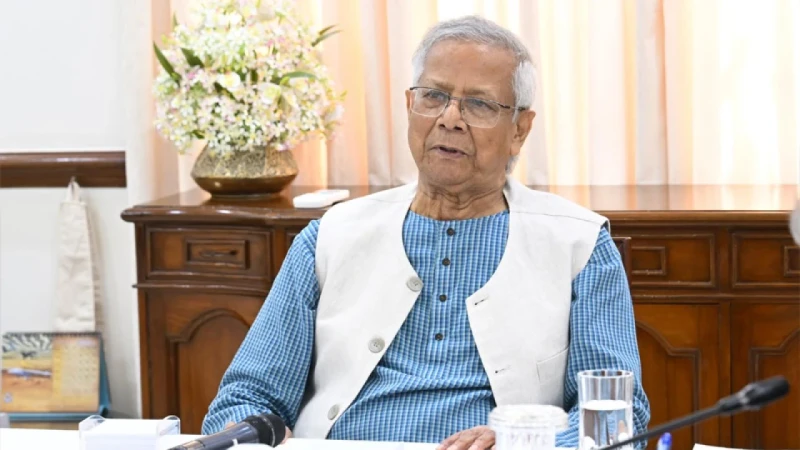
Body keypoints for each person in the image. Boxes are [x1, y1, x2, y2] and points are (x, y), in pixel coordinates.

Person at [202, 15, 650, 450]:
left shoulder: (579, 245)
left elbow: (616, 415)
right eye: (433, 96)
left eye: (479, 104)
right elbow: (246, 398)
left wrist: (529, 442)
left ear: (520, 130)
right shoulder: (329, 238)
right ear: (409, 107)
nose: (450, 118)